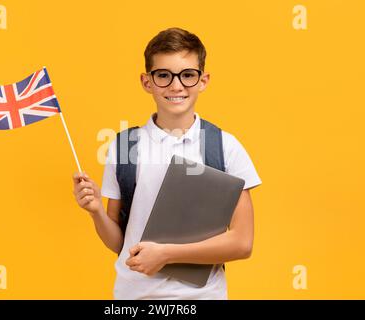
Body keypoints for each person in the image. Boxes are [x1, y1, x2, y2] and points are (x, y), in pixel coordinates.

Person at [73, 27, 262, 299]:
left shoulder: (224, 147)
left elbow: (242, 243)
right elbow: (119, 243)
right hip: (132, 296)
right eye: (163, 75)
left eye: (187, 75)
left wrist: (166, 254)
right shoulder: (125, 146)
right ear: (147, 81)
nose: (176, 86)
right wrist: (95, 212)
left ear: (203, 81)